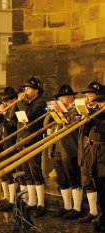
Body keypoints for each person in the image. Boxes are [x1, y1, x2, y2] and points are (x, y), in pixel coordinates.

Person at [47, 85, 83, 219]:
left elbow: (75, 126)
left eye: (66, 97)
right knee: (62, 180)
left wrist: (64, 115)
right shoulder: (58, 112)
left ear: (72, 98)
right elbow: (48, 125)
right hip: (57, 149)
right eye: (61, 98)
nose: (63, 100)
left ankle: (77, 208)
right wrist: (51, 113)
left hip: (70, 149)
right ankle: (67, 206)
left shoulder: (76, 110)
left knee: (74, 178)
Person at [16, 77, 47, 217]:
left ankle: (41, 204)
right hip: (23, 140)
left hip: (33, 140)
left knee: (35, 172)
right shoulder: (27, 102)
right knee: (28, 173)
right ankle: (31, 202)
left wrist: (22, 102)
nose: (26, 91)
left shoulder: (40, 103)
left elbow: (27, 117)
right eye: (25, 89)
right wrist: (19, 102)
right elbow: (14, 116)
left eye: (28, 89)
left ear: (36, 90)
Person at [77, 81, 103, 223]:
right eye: (86, 96)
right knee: (87, 180)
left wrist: (94, 117)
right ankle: (93, 211)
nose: (87, 99)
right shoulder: (88, 112)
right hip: (87, 149)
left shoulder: (99, 114)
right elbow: (83, 132)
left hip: (99, 151)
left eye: (90, 96)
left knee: (100, 183)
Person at [0, 86, 19, 212]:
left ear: (14, 99)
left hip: (13, 144)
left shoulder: (17, 107)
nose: (6, 103)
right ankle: (8, 198)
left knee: (13, 172)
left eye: (8, 100)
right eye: (5, 101)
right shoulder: (7, 110)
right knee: (6, 173)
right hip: (3, 144)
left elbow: (14, 124)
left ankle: (13, 199)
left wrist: (5, 112)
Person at [89, 87, 105, 232]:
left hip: (103, 155)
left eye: (102, 102)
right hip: (97, 155)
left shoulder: (101, 117)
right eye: (99, 103)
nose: (100, 105)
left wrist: (98, 118)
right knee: (100, 187)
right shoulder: (99, 115)